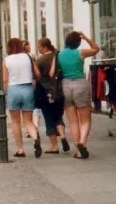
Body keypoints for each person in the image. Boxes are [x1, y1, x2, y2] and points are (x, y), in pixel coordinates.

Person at [59, 31, 101, 159]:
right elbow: (96, 49)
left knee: (72, 121)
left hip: (65, 85)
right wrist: (87, 38)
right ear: (77, 42)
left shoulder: (59, 54)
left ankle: (78, 149)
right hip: (80, 84)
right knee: (85, 119)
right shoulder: (80, 52)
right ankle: (82, 143)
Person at [4, 38, 42, 158]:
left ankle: (20, 150)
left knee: (15, 122)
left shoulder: (6, 60)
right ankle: (35, 139)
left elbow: (5, 80)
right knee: (28, 120)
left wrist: (6, 94)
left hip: (13, 89)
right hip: (27, 89)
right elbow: (38, 74)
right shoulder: (28, 57)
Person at [34, 38, 69, 154]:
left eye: (39, 47)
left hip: (45, 92)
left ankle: (54, 147)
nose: (38, 49)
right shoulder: (58, 57)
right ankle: (63, 136)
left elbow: (36, 76)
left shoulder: (40, 60)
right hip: (59, 91)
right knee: (58, 117)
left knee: (49, 119)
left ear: (45, 47)